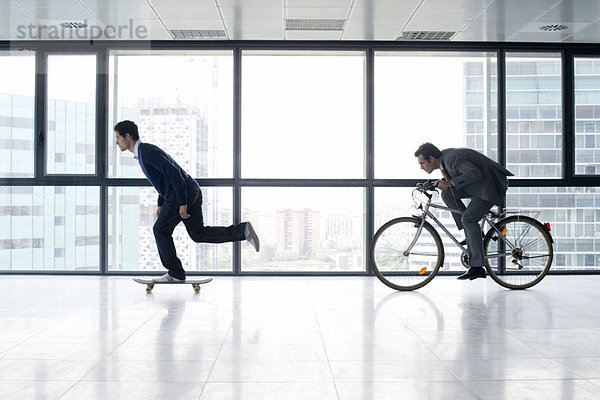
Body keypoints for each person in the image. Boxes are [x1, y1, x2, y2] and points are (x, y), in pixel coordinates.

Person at [114, 120, 259, 283]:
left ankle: (175, 273)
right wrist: (160, 203)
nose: (117, 142)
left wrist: (182, 203)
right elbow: (163, 179)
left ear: (128, 136)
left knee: (160, 230)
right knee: (198, 233)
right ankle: (243, 230)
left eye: (118, 137)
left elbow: (174, 174)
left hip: (182, 193)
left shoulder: (146, 152)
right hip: (191, 189)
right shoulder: (144, 152)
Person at [414, 142, 513, 280]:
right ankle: (471, 232)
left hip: (491, 186)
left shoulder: (452, 159)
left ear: (431, 159)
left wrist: (449, 183)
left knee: (468, 219)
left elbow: (474, 173)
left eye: (422, 163)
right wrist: (439, 183)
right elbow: (456, 177)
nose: (421, 167)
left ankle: (477, 267)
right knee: (447, 194)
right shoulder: (444, 161)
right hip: (480, 184)